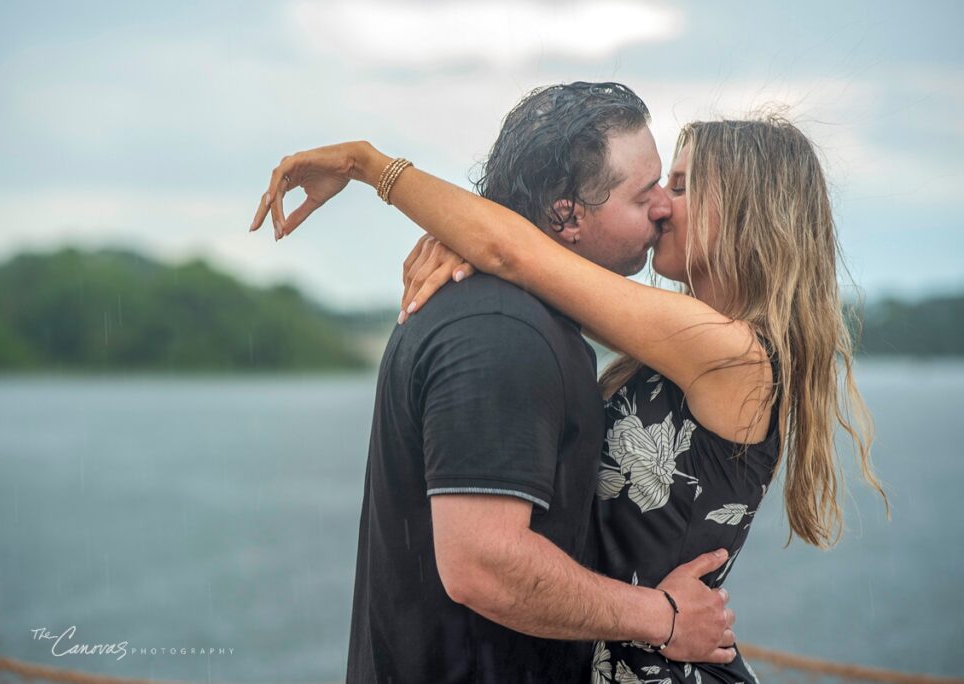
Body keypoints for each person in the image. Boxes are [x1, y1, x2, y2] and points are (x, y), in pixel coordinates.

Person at [251, 96, 891, 682]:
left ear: (752, 214)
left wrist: (371, 166)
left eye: (682, 185)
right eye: (660, 185)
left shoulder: (734, 354)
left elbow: (520, 256)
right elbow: (534, 264)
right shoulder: (681, 341)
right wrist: (463, 242)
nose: (663, 204)